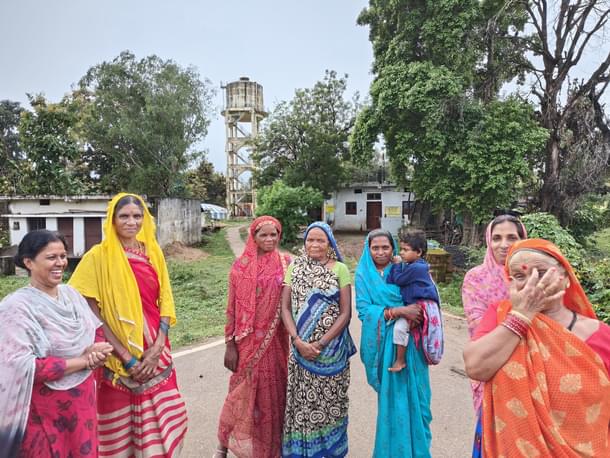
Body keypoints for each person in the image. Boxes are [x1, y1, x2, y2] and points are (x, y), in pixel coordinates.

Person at [463, 239, 610, 457]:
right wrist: (522, 316)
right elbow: (476, 367)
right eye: (520, 276)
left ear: (566, 278)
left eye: (541, 272)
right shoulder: (499, 316)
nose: (532, 282)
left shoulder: (601, 335)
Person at [69, 193, 187, 457]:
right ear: (112, 220)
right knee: (119, 430)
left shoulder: (152, 251)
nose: (131, 222)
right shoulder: (97, 257)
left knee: (168, 415)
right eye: (124, 216)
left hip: (156, 349)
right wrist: (125, 357)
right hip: (115, 355)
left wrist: (158, 345)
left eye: (137, 216)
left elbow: (165, 297)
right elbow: (90, 310)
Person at [0, 230, 112, 458]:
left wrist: (97, 349)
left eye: (63, 256)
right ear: (28, 262)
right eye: (51, 257)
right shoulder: (16, 308)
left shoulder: (71, 295)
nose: (60, 263)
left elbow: (96, 330)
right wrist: (82, 361)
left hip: (82, 403)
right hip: (42, 410)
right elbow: (23, 366)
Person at [215, 216, 291, 458]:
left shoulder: (287, 262)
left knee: (274, 394)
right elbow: (231, 308)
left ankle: (271, 448)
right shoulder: (241, 266)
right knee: (241, 394)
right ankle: (223, 443)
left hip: (276, 339)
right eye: (263, 235)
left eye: (274, 235)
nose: (269, 239)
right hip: (247, 342)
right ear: (254, 237)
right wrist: (230, 344)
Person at [280, 222, 356, 458]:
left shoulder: (340, 269)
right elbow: (284, 307)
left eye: (320, 240)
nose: (314, 244)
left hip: (332, 353)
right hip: (299, 351)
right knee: (301, 403)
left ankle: (330, 451)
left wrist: (321, 343)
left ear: (329, 243)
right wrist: (297, 341)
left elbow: (345, 313)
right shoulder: (295, 267)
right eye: (310, 240)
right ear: (305, 243)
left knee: (331, 403)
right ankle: (302, 451)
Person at [355, 229, 432, 457]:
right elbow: (363, 310)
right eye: (375, 247)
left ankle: (417, 451)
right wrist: (398, 311)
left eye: (385, 247)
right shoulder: (363, 275)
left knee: (418, 400)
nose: (380, 252)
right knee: (391, 403)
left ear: (393, 248)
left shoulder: (405, 269)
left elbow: (423, 298)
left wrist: (414, 312)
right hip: (384, 345)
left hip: (411, 345)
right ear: (368, 250)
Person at [461, 213, 526, 411]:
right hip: (491, 365)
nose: (503, 244)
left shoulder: (534, 275)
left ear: (523, 240)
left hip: (533, 370)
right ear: (489, 241)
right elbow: (480, 329)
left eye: (512, 237)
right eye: (497, 238)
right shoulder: (476, 279)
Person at [386, 229, 441, 372]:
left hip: (421, 306)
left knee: (399, 328)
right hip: (420, 305)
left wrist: (397, 264)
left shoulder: (416, 268)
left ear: (419, 252)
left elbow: (398, 280)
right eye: (401, 249)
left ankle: (400, 361)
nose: (402, 252)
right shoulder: (417, 266)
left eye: (406, 249)